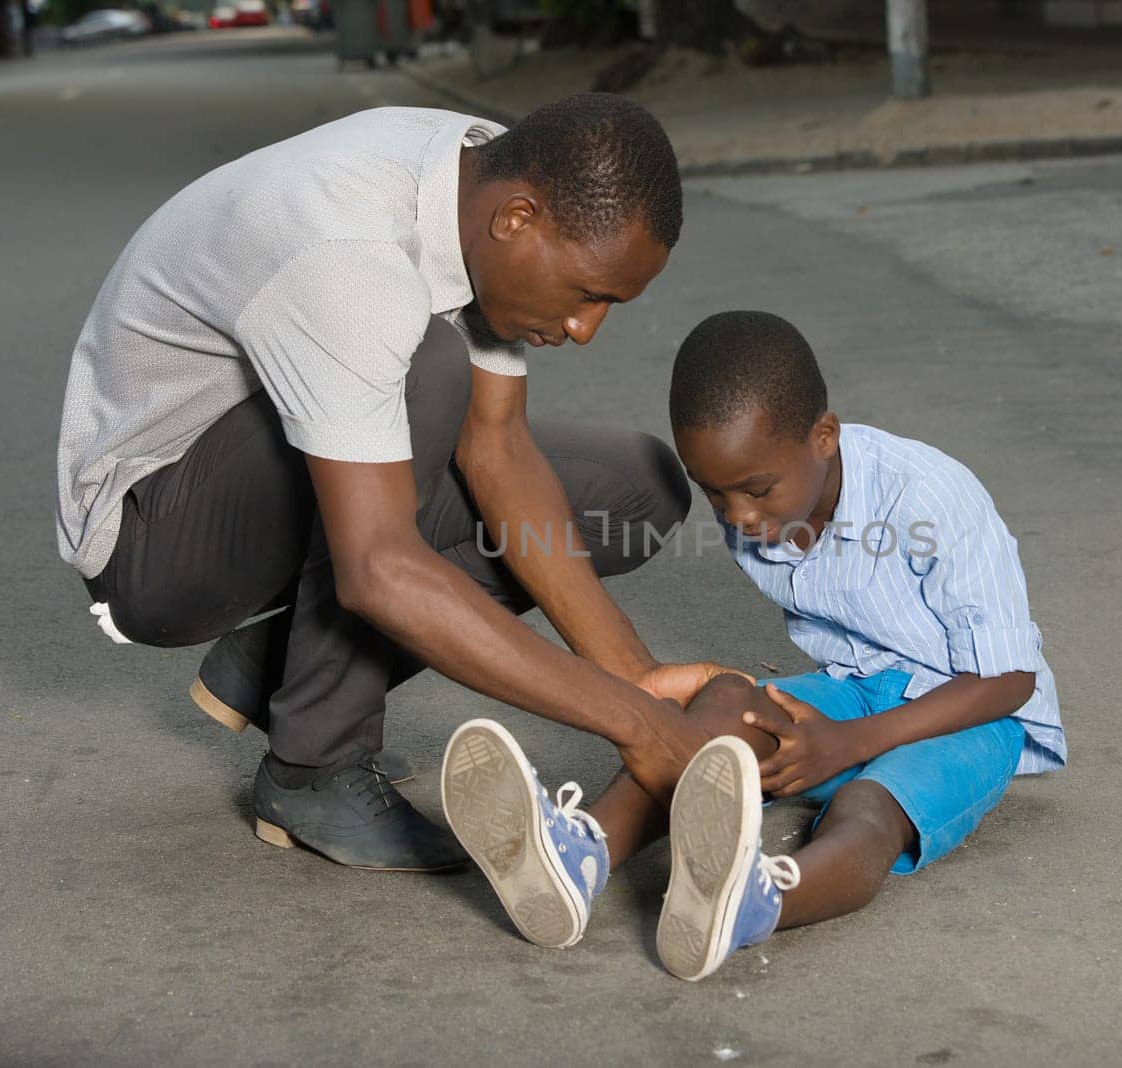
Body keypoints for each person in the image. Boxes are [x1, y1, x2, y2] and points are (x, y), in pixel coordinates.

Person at [55, 95, 732, 873]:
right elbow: (381, 570)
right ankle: (314, 767)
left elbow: (498, 449)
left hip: (290, 449)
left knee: (633, 489)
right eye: (588, 295)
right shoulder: (350, 260)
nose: (586, 330)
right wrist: (639, 729)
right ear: (517, 219)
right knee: (428, 371)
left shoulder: (478, 172)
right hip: (152, 532)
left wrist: (639, 684)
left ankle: (279, 661)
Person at [440, 309, 1066, 978]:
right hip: (856, 688)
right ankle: (579, 854)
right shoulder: (761, 514)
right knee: (719, 707)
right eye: (715, 494)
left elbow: (1010, 680)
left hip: (972, 714)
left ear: (823, 437)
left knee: (868, 807)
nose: (737, 518)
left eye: (756, 490)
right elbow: (827, 673)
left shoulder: (932, 500)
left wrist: (850, 744)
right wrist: (797, 725)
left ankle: (752, 900)